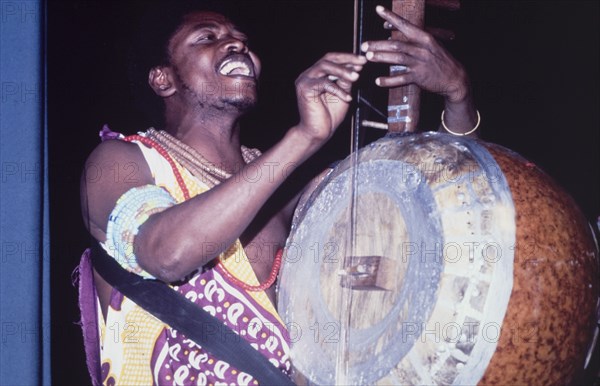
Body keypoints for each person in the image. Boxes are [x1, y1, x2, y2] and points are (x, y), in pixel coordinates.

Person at [78, 3, 478, 385]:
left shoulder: (285, 193)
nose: (237, 44)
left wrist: (457, 94)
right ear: (163, 78)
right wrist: (305, 137)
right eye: (206, 37)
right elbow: (168, 254)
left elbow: (449, 202)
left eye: (240, 37)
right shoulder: (122, 161)